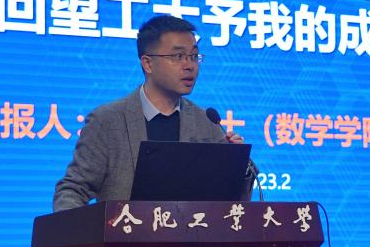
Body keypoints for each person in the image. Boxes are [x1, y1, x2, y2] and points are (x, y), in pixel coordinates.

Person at [53, 15, 249, 211]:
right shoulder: (107, 121)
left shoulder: (207, 124)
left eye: (193, 56)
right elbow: (73, 190)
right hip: (125, 230)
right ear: (147, 64)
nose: (190, 66)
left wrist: (239, 165)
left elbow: (230, 204)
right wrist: (83, 229)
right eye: (177, 56)